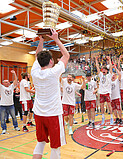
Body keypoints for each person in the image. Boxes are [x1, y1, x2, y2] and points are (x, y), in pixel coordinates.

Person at [31, 30, 69, 159]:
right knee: (55, 147)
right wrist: (56, 39)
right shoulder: (54, 72)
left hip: (39, 113)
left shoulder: (34, 72)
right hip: (53, 114)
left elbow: (37, 55)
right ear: (51, 61)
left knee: (40, 142)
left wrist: (41, 40)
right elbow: (66, 55)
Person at [95, 56, 114, 125]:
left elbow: (111, 67)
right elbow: (97, 67)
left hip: (107, 92)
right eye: (103, 70)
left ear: (107, 71)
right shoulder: (100, 75)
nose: (103, 71)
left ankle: (111, 117)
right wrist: (96, 60)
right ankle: (103, 118)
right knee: (102, 106)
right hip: (101, 92)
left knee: (109, 105)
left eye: (105, 70)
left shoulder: (109, 75)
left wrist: (109, 60)